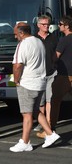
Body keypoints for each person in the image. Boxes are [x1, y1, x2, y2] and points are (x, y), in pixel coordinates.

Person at [10, 22, 60, 152]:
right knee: (36, 110)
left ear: (21, 33)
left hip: (27, 83)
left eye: (16, 34)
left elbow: (17, 65)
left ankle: (25, 142)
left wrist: (16, 80)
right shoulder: (38, 42)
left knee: (27, 114)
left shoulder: (23, 44)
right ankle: (50, 134)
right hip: (40, 82)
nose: (15, 37)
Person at [34, 15, 58, 137]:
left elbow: (57, 54)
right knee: (40, 101)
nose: (46, 26)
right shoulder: (34, 39)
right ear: (38, 25)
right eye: (43, 24)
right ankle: (41, 123)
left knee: (49, 99)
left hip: (51, 73)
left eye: (48, 24)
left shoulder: (54, 38)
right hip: (38, 74)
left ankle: (47, 123)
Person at [50, 16, 72, 132]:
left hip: (64, 75)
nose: (58, 25)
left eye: (60, 24)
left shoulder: (64, 40)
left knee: (55, 101)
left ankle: (50, 129)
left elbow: (56, 57)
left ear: (67, 26)